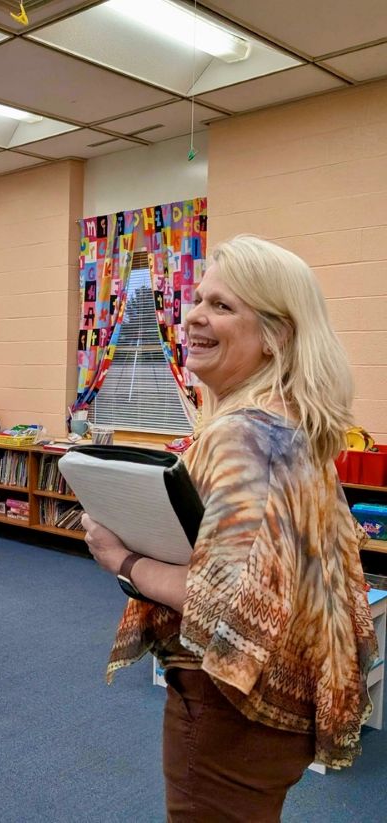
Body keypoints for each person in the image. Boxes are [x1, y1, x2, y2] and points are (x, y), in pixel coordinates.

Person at [82, 235, 377, 821]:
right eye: (198, 299)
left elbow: (226, 603)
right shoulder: (293, 426)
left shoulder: (243, 434)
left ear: (276, 335)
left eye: (222, 306)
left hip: (230, 703)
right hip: (277, 700)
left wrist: (122, 559)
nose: (195, 316)